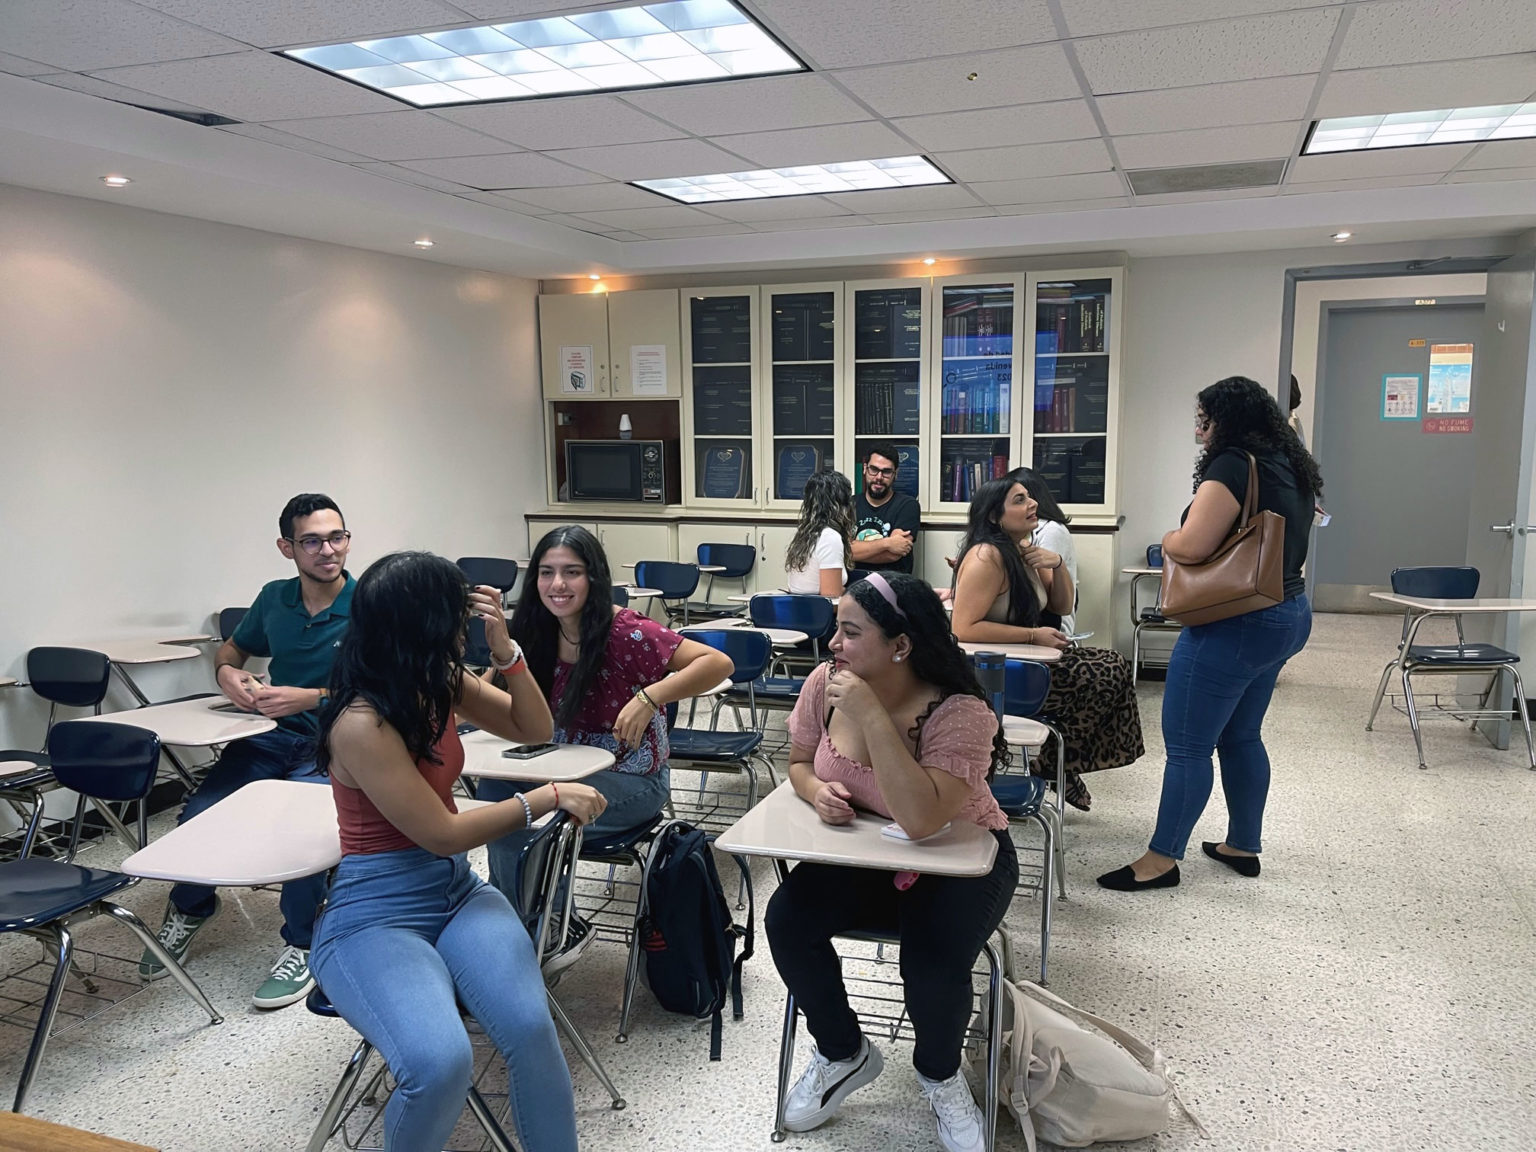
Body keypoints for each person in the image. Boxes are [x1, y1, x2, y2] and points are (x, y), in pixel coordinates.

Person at [313, 550, 604, 1151]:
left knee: (530, 1030)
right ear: (428, 624)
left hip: (456, 892)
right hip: (375, 914)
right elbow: (441, 833)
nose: (463, 626)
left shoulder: (436, 680)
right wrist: (545, 797)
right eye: (457, 614)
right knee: (439, 1063)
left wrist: (506, 651)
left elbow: (534, 729)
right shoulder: (362, 722)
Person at [766, 573, 1017, 1152]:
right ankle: (843, 1052)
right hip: (869, 852)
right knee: (787, 920)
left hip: (960, 858)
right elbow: (799, 762)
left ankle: (940, 1076)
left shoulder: (961, 712)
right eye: (836, 628)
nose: (834, 644)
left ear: (900, 645)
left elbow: (922, 819)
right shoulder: (825, 683)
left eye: (851, 633)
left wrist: (872, 715)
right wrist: (815, 792)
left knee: (930, 959)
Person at [1098, 376, 1320, 892]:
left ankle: (1160, 860)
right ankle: (1242, 844)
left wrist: (1168, 538)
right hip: (1287, 612)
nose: (1199, 430)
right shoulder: (1291, 464)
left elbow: (1193, 546)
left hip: (1235, 621)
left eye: (1204, 419)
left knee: (1188, 746)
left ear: (1227, 420)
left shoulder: (1233, 465)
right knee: (1242, 735)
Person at [140, 493, 351, 1008]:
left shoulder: (372, 603)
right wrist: (226, 672)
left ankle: (304, 941)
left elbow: (391, 686)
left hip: (337, 742)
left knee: (302, 836)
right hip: (270, 736)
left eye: (337, 537)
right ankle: (190, 907)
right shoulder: (275, 598)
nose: (328, 550)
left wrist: (313, 697)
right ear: (287, 547)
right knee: (200, 815)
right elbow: (234, 648)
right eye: (312, 541)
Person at [477, 526, 732, 932]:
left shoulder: (626, 631)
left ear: (593, 577)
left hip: (631, 779)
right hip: (558, 769)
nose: (557, 585)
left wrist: (650, 698)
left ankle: (539, 927)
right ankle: (526, 923)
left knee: (528, 815)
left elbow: (717, 663)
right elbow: (484, 694)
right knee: (494, 794)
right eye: (546, 573)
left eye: (572, 572)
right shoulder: (534, 627)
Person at [951, 478, 1143, 811]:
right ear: (995, 516)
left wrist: (1057, 564)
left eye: (1029, 497)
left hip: (1025, 664)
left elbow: (1062, 605)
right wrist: (1032, 635)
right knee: (1107, 672)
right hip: (997, 674)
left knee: (1114, 665)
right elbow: (963, 628)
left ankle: (1056, 765)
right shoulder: (987, 556)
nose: (1033, 504)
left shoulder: (1021, 550)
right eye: (1019, 500)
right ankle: (1057, 767)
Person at [1007, 465, 1077, 636]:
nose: (1031, 504)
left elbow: (1051, 597)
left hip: (1048, 623)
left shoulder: (1051, 530)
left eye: (1025, 498)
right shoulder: (1017, 534)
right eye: (1019, 499)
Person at [852, 444, 921, 574]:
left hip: (892, 583)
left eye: (886, 472)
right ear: (865, 469)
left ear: (896, 474)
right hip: (853, 582)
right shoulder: (849, 505)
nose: (879, 477)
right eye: (874, 469)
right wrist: (887, 543)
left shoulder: (908, 505)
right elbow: (841, 551)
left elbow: (894, 554)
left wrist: (855, 550)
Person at [784, 469, 854, 596]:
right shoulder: (830, 537)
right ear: (839, 504)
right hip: (819, 609)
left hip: (799, 607)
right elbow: (831, 596)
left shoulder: (806, 533)